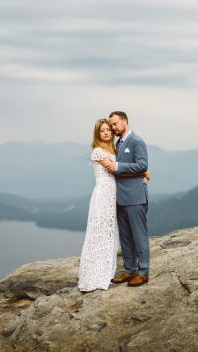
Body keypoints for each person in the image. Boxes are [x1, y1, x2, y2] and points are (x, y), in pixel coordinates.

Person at [78, 118, 150, 293]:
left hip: (119, 196)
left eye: (109, 128)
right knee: (102, 234)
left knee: (118, 235)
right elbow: (113, 168)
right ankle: (99, 274)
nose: (107, 132)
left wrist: (144, 171)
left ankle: (141, 271)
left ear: (124, 122)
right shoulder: (98, 151)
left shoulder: (122, 145)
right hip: (104, 196)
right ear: (97, 134)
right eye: (102, 130)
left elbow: (133, 165)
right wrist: (143, 171)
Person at [99, 111, 150, 287]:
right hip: (120, 198)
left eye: (115, 124)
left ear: (125, 122)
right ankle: (129, 270)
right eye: (111, 125)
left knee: (139, 236)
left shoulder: (136, 141)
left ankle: (143, 272)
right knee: (126, 237)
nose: (113, 128)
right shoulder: (117, 144)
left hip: (135, 197)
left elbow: (143, 164)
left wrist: (118, 166)